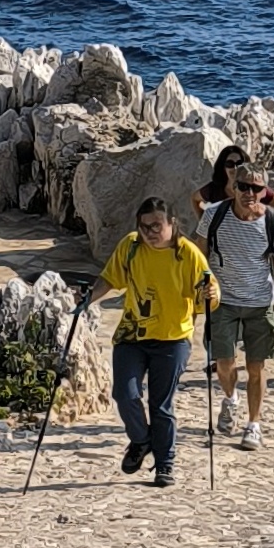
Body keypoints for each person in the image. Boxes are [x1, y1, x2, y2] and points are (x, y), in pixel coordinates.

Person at [99, 193, 210, 486]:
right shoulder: (131, 246)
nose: (150, 232)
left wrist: (209, 294)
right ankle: (141, 439)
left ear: (172, 223)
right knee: (125, 394)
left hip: (173, 339)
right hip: (132, 335)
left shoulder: (188, 254)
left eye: (156, 225)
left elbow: (208, 294)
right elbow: (110, 279)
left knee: (161, 405)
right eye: (144, 226)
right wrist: (85, 299)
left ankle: (165, 465)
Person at [201, 158, 274, 450]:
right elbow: (197, 255)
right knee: (224, 363)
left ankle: (253, 424)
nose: (249, 193)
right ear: (233, 187)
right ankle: (231, 398)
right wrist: (200, 286)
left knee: (256, 367)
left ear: (264, 191)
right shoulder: (214, 215)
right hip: (222, 301)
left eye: (256, 188)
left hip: (259, 303)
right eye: (243, 186)